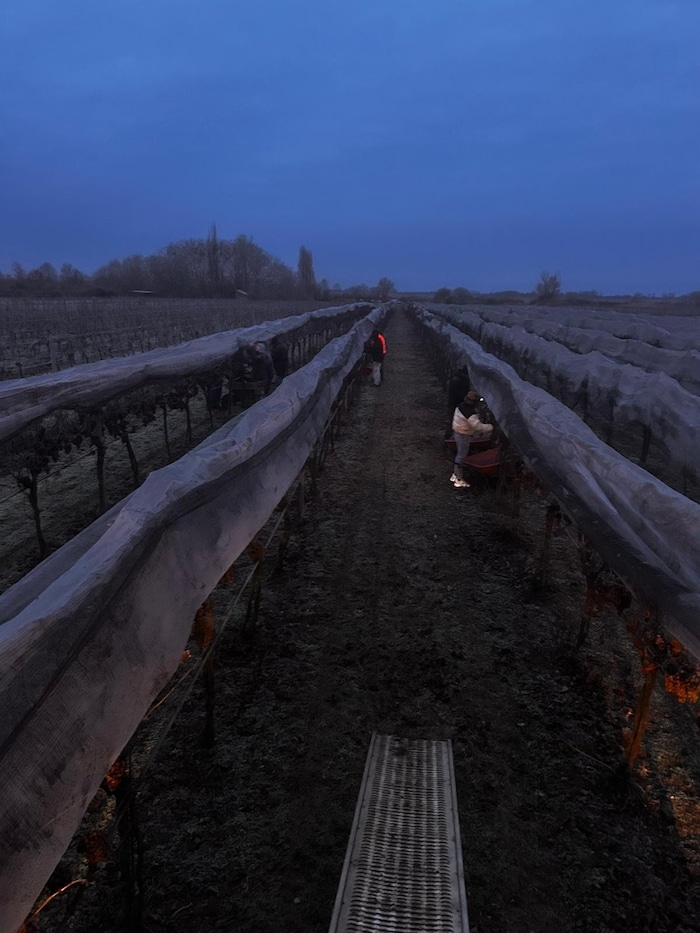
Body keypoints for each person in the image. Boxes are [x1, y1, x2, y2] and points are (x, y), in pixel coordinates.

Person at [450, 390, 493, 487]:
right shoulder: (470, 413)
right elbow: (479, 427)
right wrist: (491, 427)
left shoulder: (460, 406)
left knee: (459, 454)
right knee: (461, 456)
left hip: (457, 431)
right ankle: (458, 479)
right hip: (463, 435)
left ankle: (455, 474)